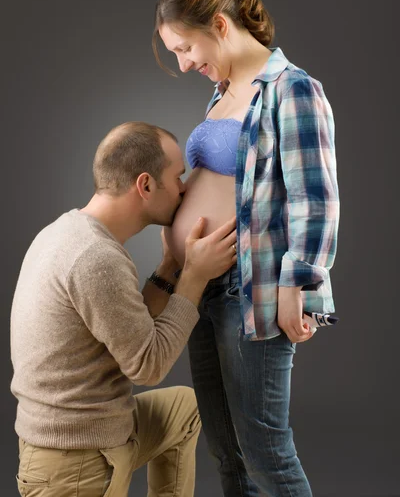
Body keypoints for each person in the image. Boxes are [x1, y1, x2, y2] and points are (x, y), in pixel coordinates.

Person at [152, 0, 340, 496]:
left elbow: (314, 197)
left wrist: (295, 288)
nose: (186, 64)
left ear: (218, 24)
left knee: (265, 455)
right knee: (227, 454)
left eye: (186, 48)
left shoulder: (293, 89)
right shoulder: (224, 91)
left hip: (249, 292)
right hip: (201, 288)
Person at [10, 121, 238, 497]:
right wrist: (194, 278)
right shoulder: (95, 259)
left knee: (183, 408)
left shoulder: (67, 231)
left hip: (97, 427)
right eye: (178, 176)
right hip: (73, 461)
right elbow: (148, 365)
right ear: (145, 185)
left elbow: (127, 328)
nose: (184, 188)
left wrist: (169, 268)